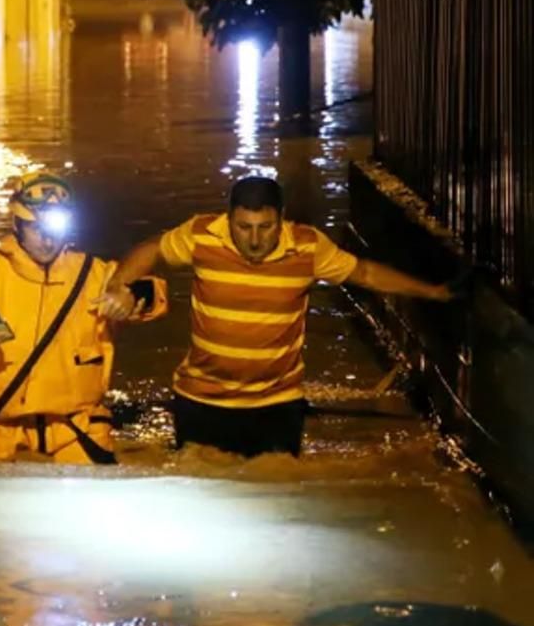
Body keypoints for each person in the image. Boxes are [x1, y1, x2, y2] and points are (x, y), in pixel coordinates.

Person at [95, 175, 453, 458]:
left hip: (276, 407)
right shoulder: (202, 235)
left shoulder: (309, 247)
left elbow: (366, 275)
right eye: (243, 227)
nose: (253, 239)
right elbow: (153, 248)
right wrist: (118, 286)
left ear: (281, 221)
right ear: (228, 218)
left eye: (264, 227)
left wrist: (434, 293)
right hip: (201, 401)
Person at [0, 171, 168, 464]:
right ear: (16, 223)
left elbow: (157, 295)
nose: (47, 240)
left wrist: (131, 294)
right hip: (1, 437)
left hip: (79, 434)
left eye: (54, 230)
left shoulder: (93, 275)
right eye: (36, 229)